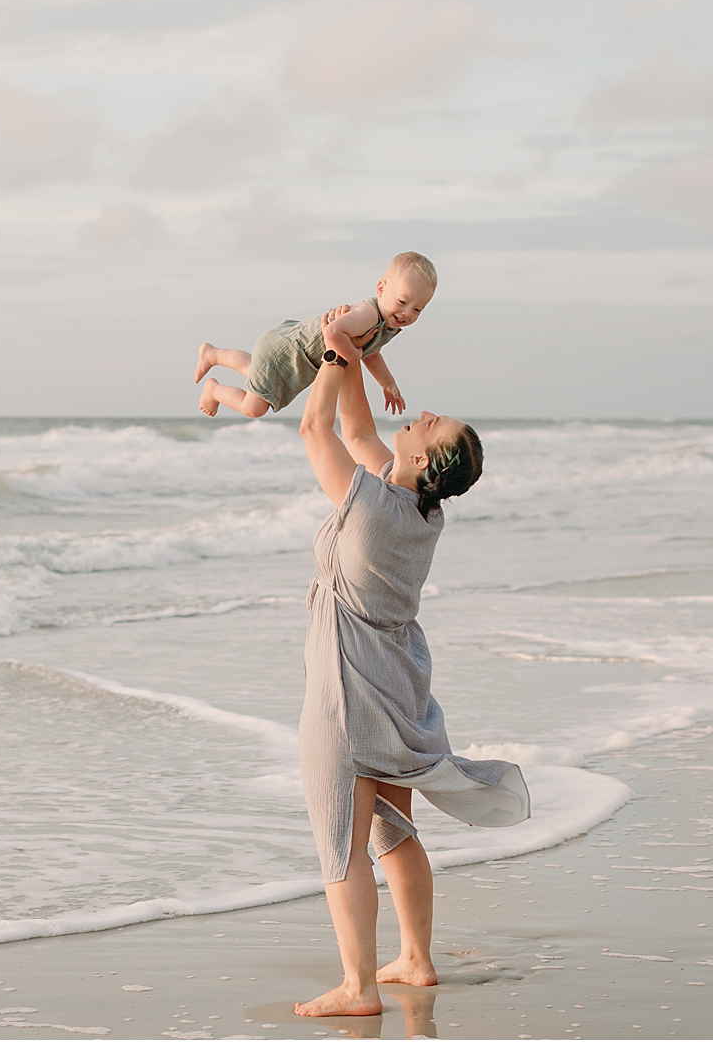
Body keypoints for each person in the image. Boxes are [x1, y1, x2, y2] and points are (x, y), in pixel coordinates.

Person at [291, 333, 530, 1019]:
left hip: (349, 688)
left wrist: (332, 360)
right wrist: (357, 352)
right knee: (393, 832)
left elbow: (317, 427)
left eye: (428, 424)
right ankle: (417, 960)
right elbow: (357, 429)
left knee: (342, 840)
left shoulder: (368, 507)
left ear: (422, 457)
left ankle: (359, 988)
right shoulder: (423, 511)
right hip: (399, 686)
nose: (420, 415)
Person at [194, 252, 437, 419]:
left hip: (288, 350)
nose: (407, 313)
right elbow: (333, 332)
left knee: (254, 368)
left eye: (418, 309)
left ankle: (213, 354)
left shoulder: (387, 325)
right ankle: (214, 390)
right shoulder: (369, 315)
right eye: (403, 301)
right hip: (290, 350)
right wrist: (353, 355)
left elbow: (372, 355)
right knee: (254, 407)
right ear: (381, 289)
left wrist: (387, 383)